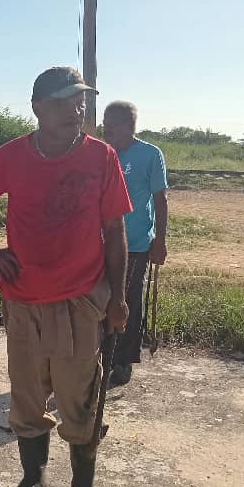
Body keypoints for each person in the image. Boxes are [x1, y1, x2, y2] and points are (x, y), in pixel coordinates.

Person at [0, 66, 132, 487]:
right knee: (27, 394)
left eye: (81, 101)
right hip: (23, 300)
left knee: (80, 396)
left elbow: (114, 231)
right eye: (64, 101)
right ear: (38, 107)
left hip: (80, 298)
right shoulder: (11, 157)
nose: (76, 109)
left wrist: (117, 298)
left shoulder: (101, 157)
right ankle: (33, 481)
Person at [103, 101, 169, 386]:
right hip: (100, 241)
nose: (108, 130)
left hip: (137, 243)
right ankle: (100, 355)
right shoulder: (100, 154)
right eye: (105, 124)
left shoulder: (150, 155)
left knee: (128, 300)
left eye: (114, 125)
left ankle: (123, 361)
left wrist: (160, 241)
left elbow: (160, 200)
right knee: (99, 299)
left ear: (130, 126)